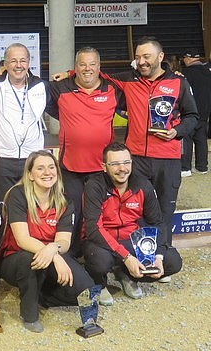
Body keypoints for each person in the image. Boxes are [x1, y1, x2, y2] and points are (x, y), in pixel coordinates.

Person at [56, 37, 198, 245]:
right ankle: (136, 253)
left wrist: (176, 132)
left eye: (146, 56)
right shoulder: (128, 79)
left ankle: (161, 255)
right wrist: (70, 73)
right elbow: (96, 73)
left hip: (168, 159)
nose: (141, 62)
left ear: (160, 57)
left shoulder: (179, 82)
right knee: (135, 210)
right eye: (138, 57)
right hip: (135, 159)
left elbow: (193, 116)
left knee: (165, 210)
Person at [0, 150, 94, 333]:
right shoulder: (17, 195)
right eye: (40, 168)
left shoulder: (64, 201)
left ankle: (41, 295)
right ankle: (29, 313)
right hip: (17, 258)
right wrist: (54, 255)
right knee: (31, 261)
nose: (47, 172)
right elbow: (22, 239)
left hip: (50, 255)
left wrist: (53, 249)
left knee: (85, 290)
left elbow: (64, 242)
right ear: (30, 175)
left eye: (51, 167)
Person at [82, 142, 182, 304]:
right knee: (98, 260)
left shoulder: (143, 185)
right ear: (104, 166)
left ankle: (126, 275)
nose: (122, 168)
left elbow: (157, 222)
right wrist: (126, 256)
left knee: (173, 261)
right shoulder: (94, 186)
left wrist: (158, 256)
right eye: (115, 164)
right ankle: (99, 284)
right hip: (102, 241)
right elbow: (93, 228)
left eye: (126, 162)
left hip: (131, 239)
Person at [47, 47, 120, 255]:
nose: (87, 69)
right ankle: (72, 253)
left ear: (99, 66)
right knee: (73, 213)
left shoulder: (112, 89)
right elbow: (40, 95)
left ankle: (99, 251)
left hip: (102, 167)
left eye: (92, 64)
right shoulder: (60, 88)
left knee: (99, 212)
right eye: (82, 64)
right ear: (75, 67)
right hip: (71, 165)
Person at [0, 43, 48, 204]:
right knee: (5, 207)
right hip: (5, 159)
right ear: (5, 64)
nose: (18, 65)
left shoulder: (41, 86)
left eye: (23, 60)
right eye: (13, 61)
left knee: (35, 207)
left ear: (29, 62)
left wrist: (70, 72)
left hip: (34, 158)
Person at [180, 49, 211, 176]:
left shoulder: (185, 73)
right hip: (204, 112)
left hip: (189, 112)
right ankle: (202, 166)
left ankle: (185, 168)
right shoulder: (208, 72)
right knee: (201, 139)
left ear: (188, 58)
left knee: (186, 139)